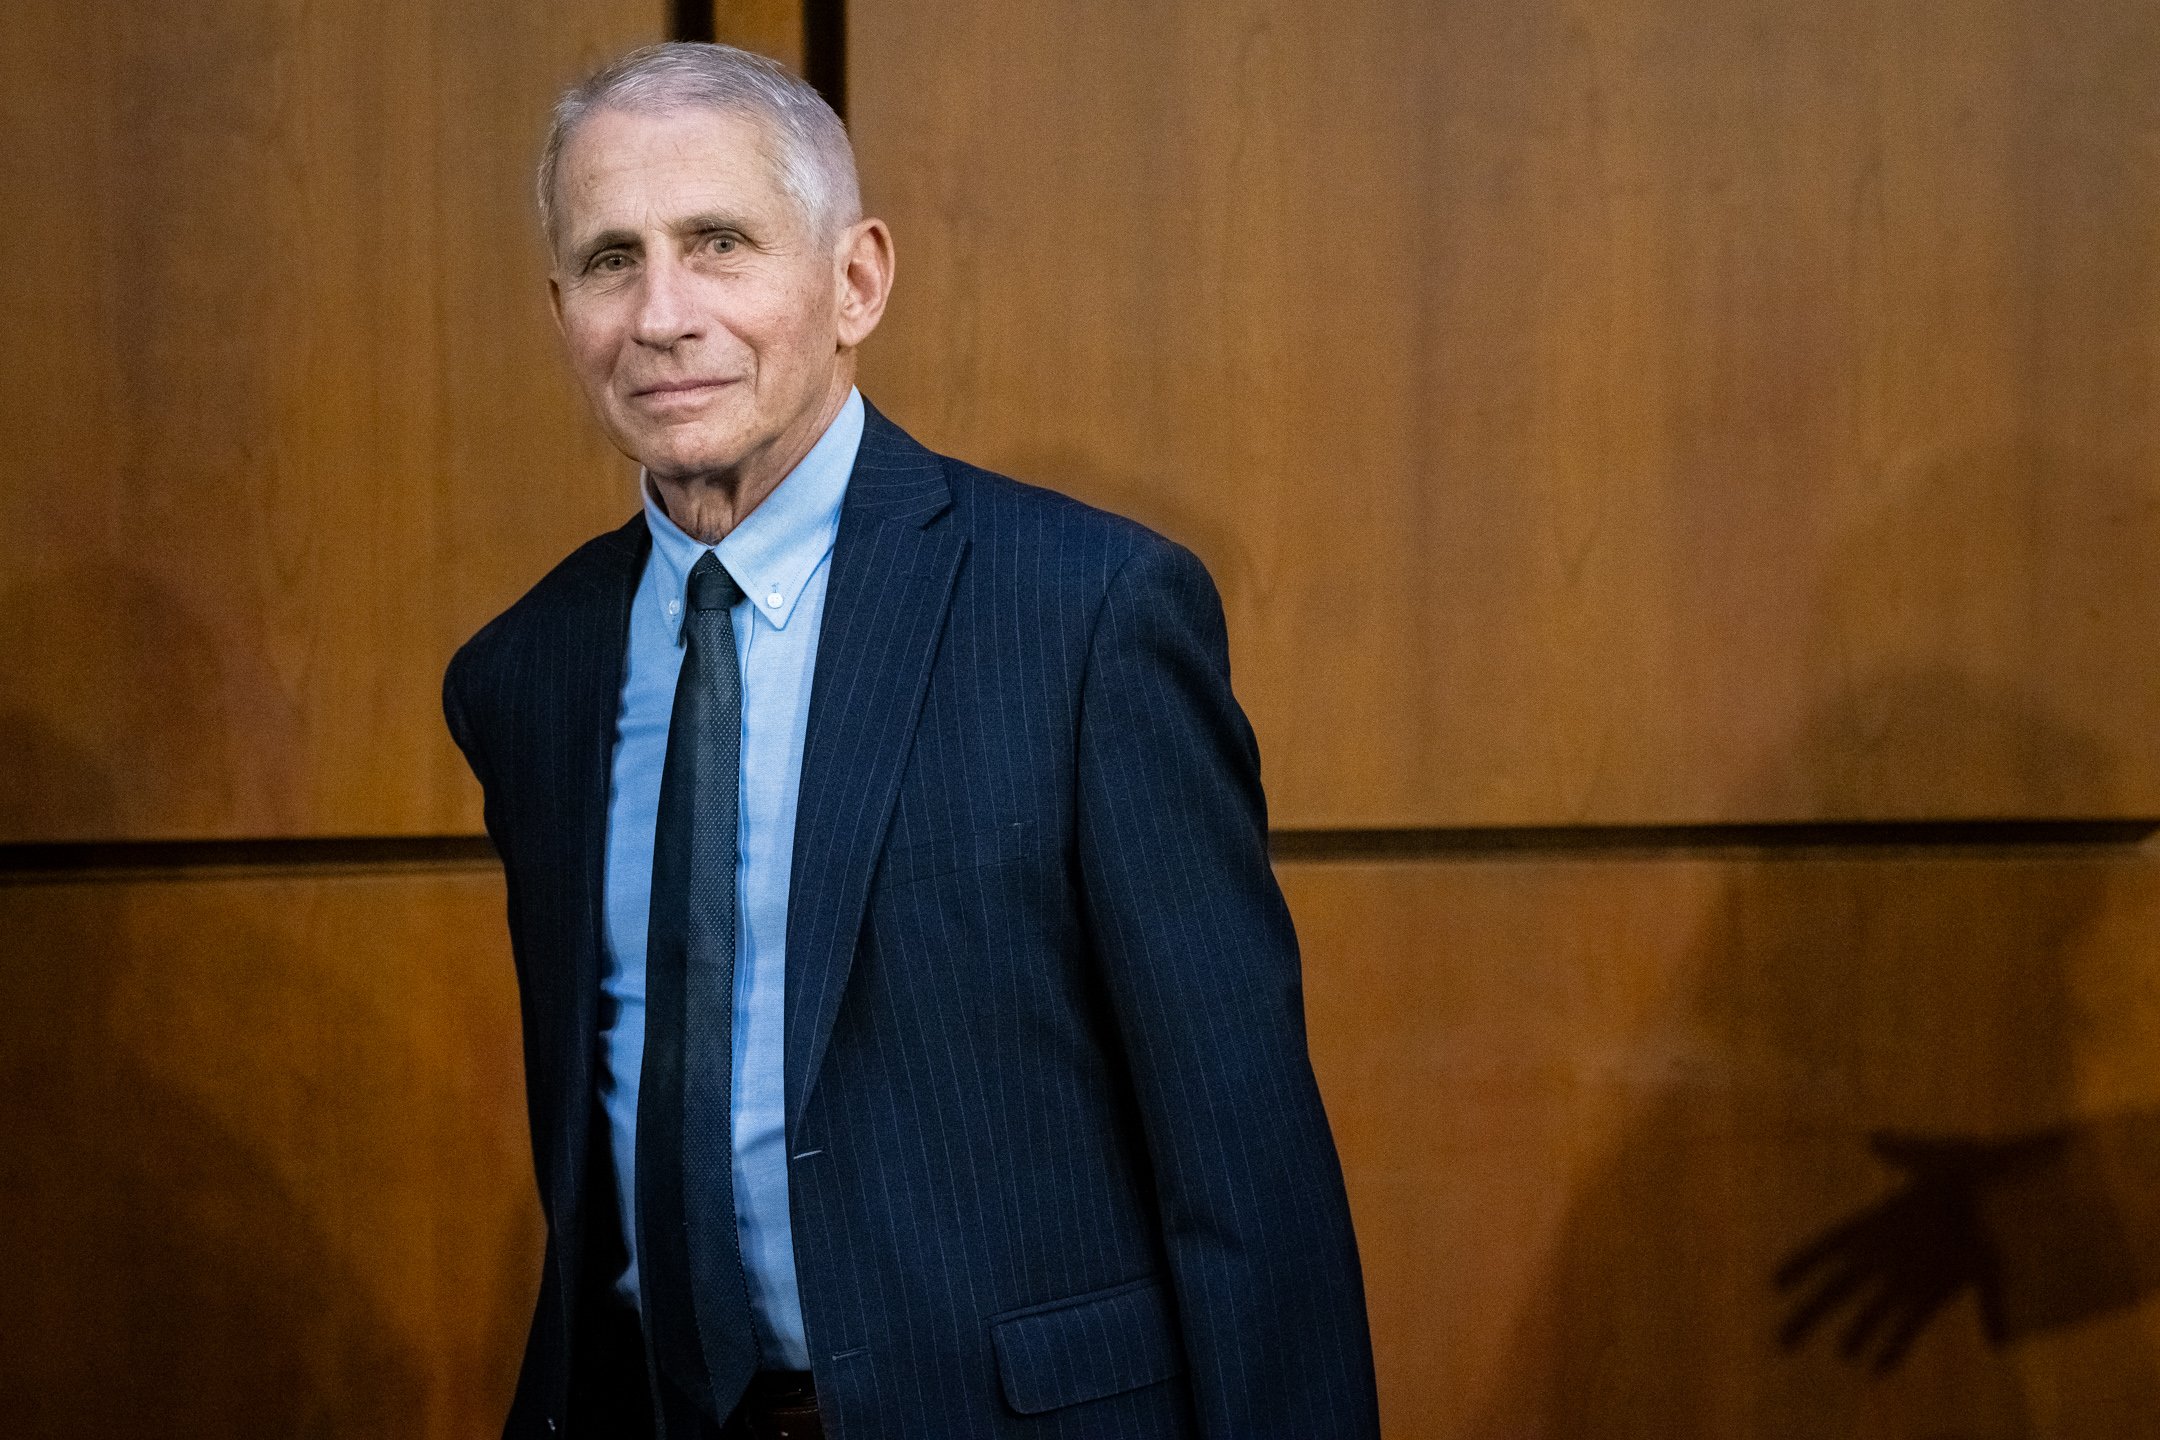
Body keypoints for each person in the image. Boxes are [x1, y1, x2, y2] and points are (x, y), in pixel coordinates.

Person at [443, 41, 1378, 1440]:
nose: (664, 314)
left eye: (720, 244)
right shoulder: (528, 674)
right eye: (611, 261)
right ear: (561, 306)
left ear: (856, 279)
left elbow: (1246, 1175)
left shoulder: (1086, 616)